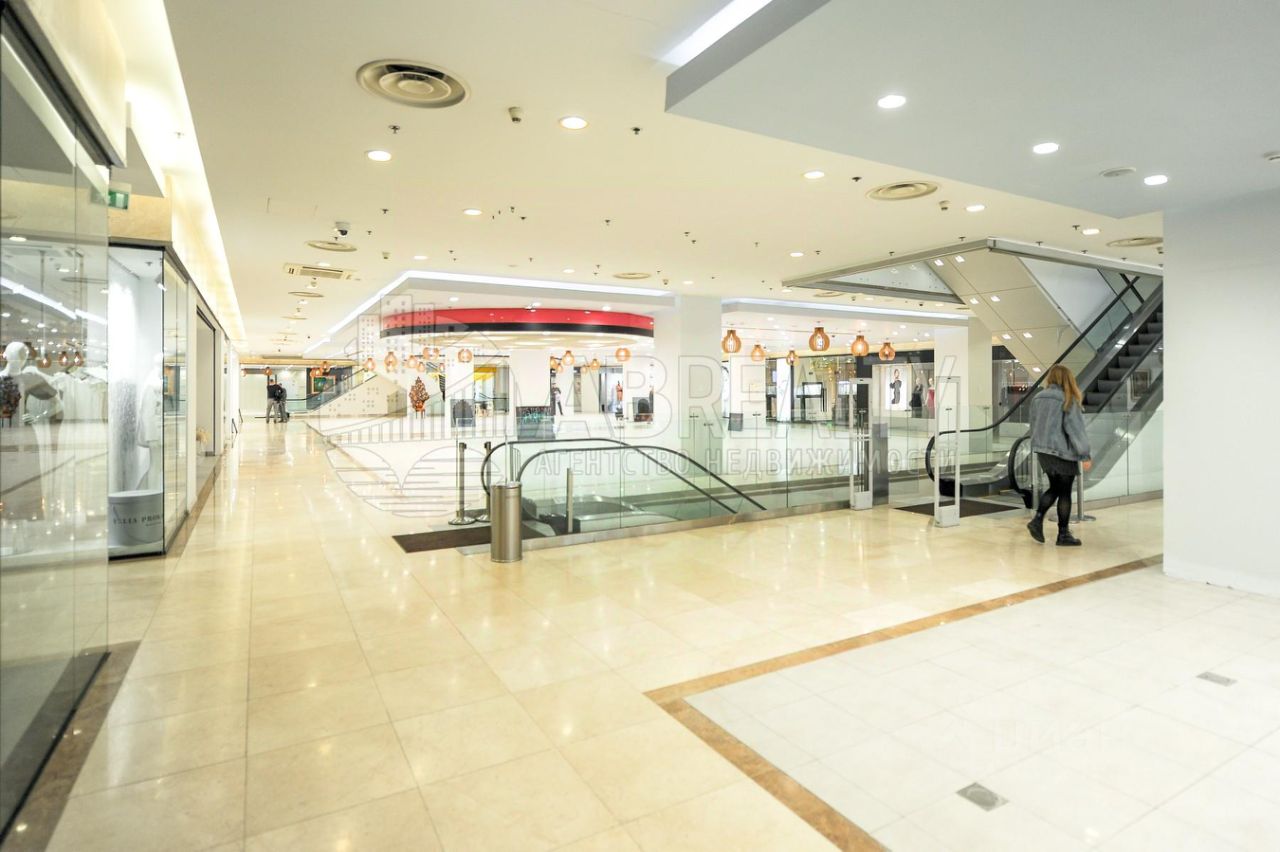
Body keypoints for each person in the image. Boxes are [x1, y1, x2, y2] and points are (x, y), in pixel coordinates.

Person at [1027, 364, 1092, 546]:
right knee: (1064, 492)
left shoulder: (1038, 398)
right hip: (1062, 453)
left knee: (1055, 488)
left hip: (1043, 451)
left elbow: (1033, 424)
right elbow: (1075, 430)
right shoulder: (1068, 399)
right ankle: (1063, 534)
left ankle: (1037, 520)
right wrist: (1085, 454)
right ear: (1068, 379)